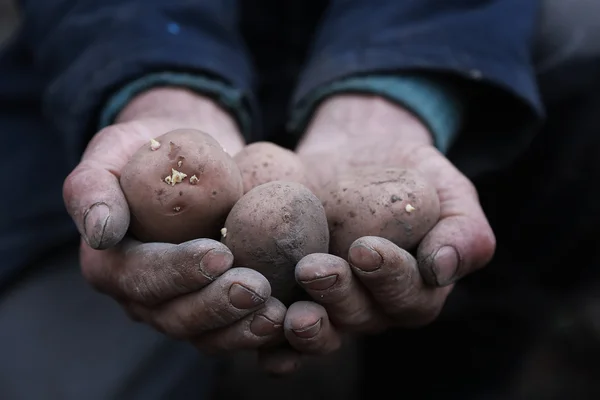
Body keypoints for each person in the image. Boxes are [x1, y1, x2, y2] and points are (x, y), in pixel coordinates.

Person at [1, 0, 599, 399]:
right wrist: (149, 81)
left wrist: (393, 86)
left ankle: (475, 337)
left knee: (582, 27)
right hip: (102, 68)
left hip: (410, 33)